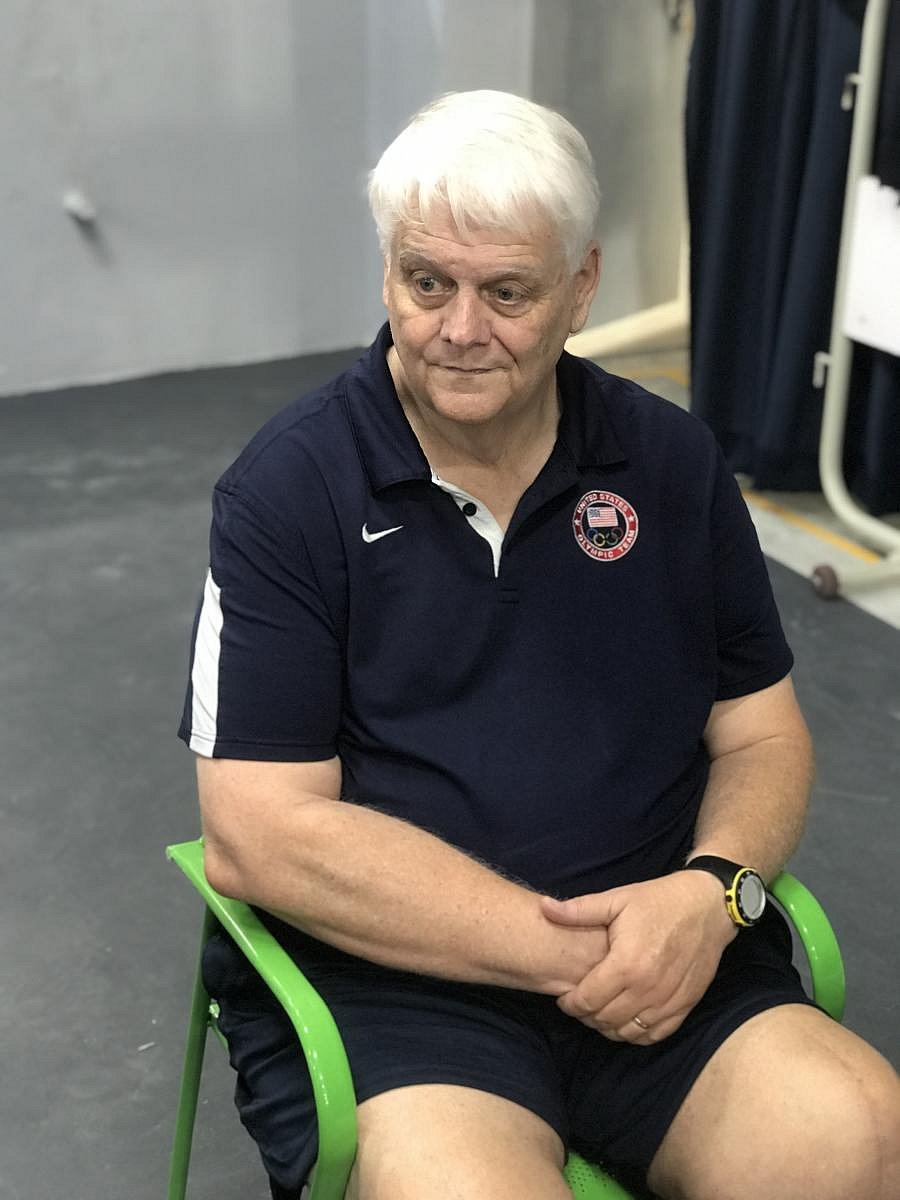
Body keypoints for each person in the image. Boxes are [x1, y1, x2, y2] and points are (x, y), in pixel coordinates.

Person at [179, 90, 899, 1200]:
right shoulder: (288, 491)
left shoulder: (670, 462)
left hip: (668, 955)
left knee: (864, 1138)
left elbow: (761, 735)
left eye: (507, 291)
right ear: (388, 274)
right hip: (397, 991)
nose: (460, 329)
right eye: (428, 282)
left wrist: (714, 895)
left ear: (583, 285)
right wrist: (565, 952)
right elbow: (258, 837)